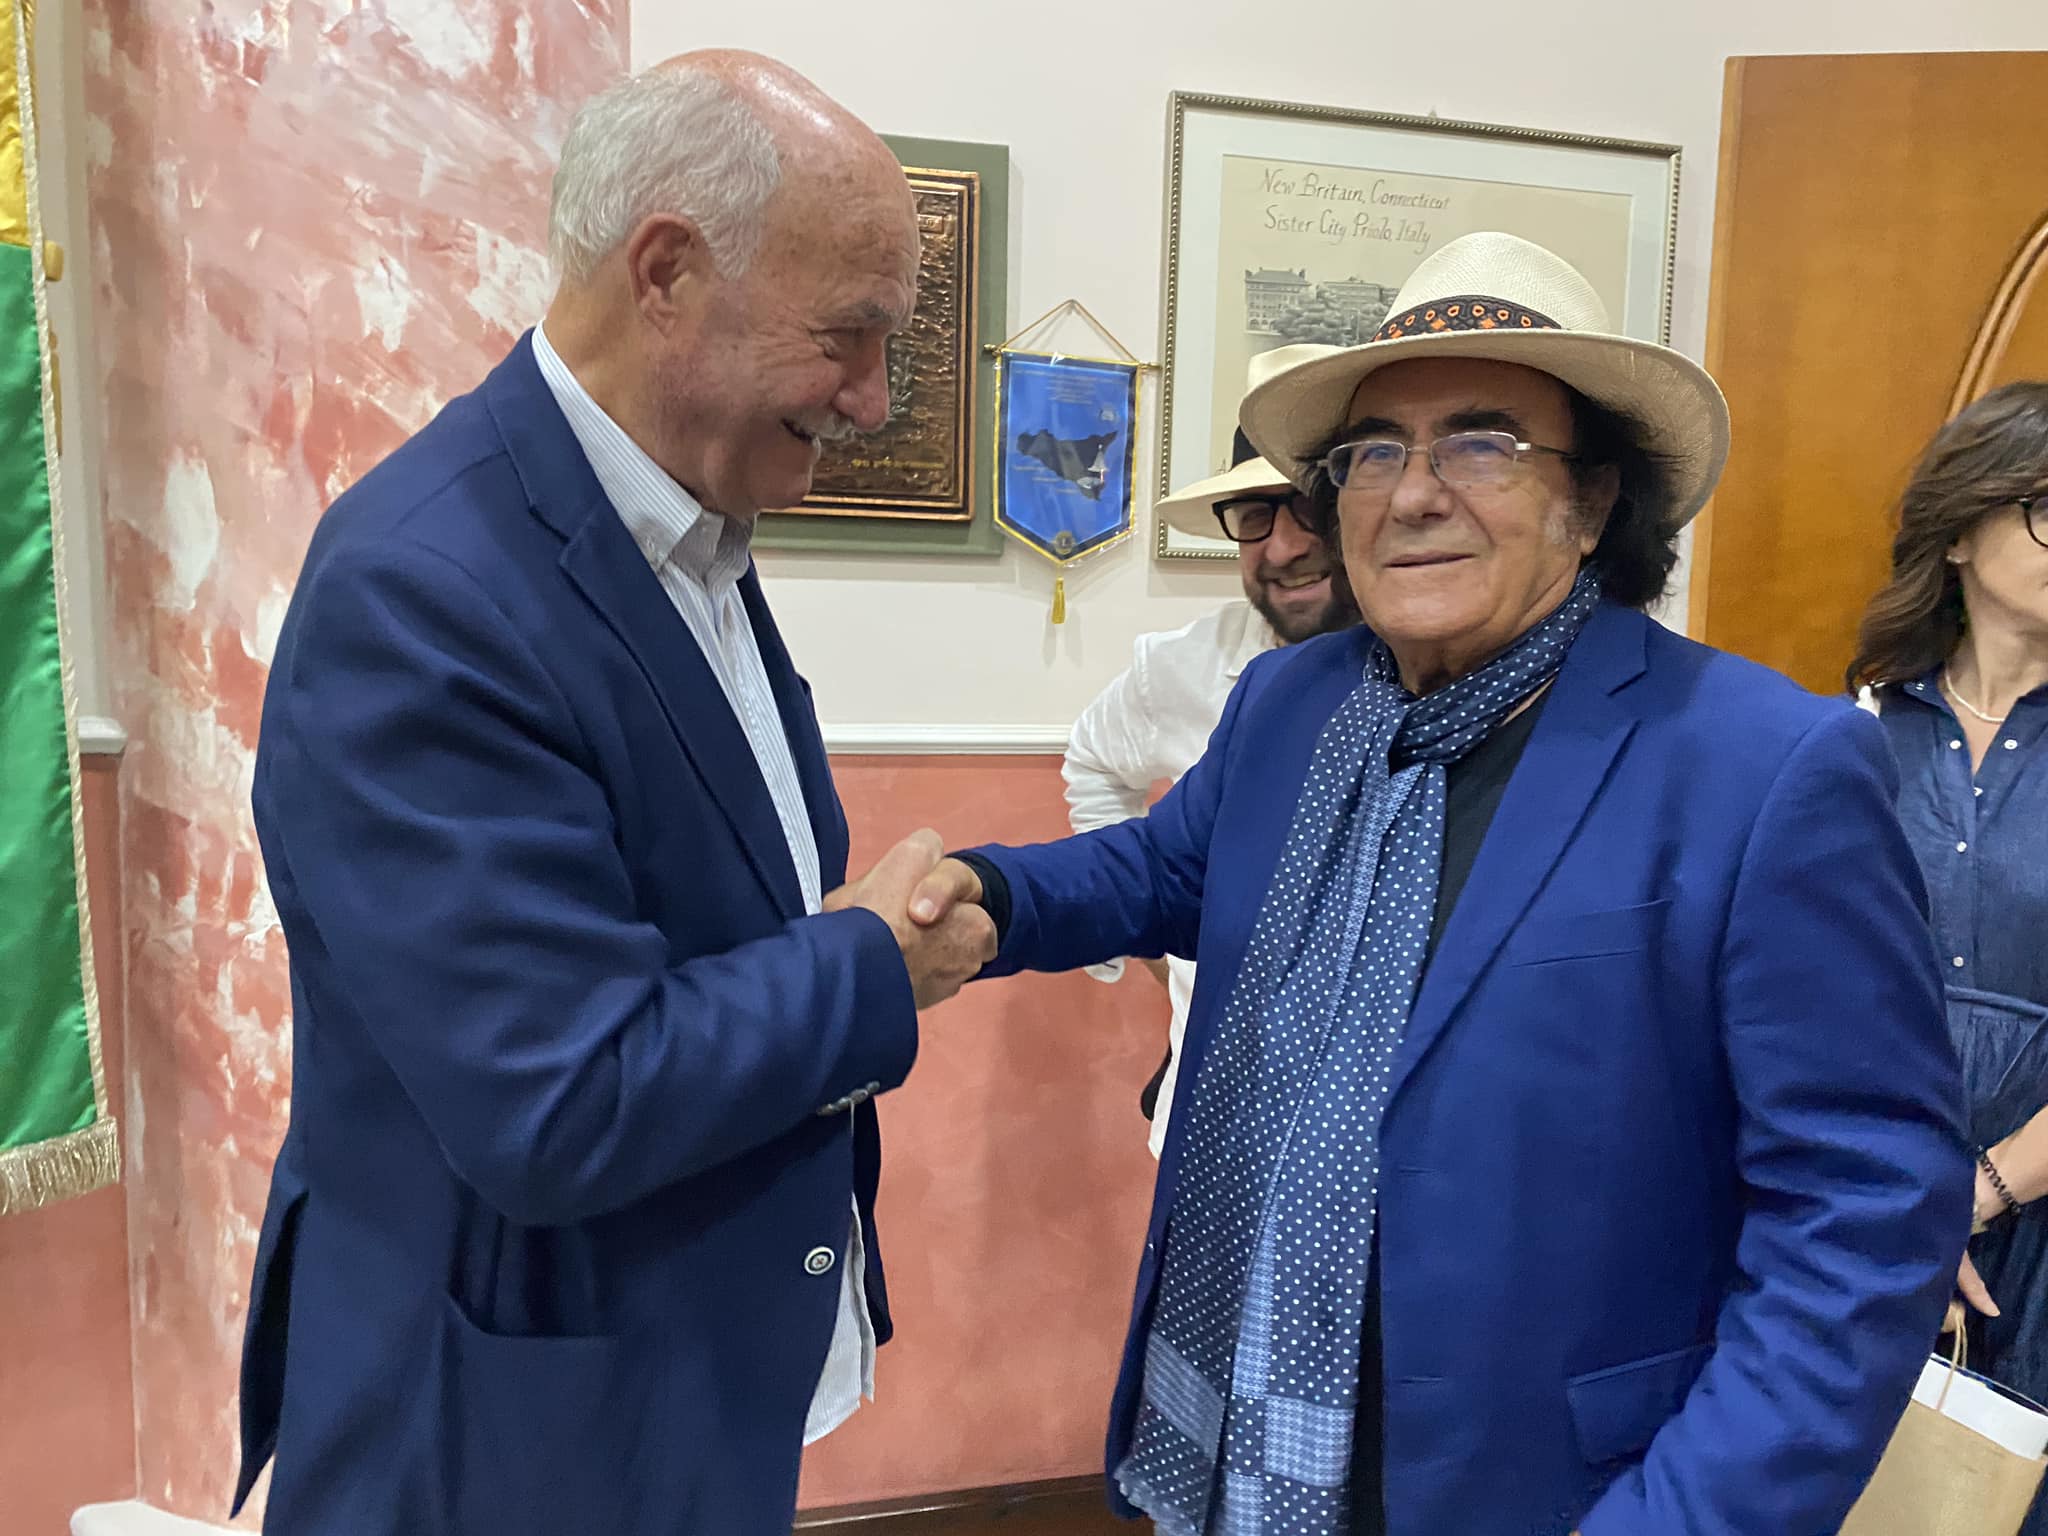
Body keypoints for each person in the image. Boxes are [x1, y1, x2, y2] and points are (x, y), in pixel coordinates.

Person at [913, 232, 1971, 1535]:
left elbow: (1861, 1218)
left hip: (1552, 1486)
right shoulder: (1291, 702)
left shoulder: (1763, 766)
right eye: (1372, 452)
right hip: (1246, 1425)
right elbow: (1162, 867)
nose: (1411, 494)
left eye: (1483, 444)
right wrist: (982, 896)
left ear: (1594, 502)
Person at [231, 53, 995, 1536]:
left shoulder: (682, 524)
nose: (872, 396)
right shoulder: (424, 590)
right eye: (849, 334)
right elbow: (559, 1098)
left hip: (666, 1386)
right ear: (666, 274)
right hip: (503, 1444)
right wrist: (869, 965)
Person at [1064, 344, 1356, 1157]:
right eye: (1255, 515)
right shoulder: (1182, 667)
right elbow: (1094, 762)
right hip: (1216, 1126)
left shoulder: (1449, 672)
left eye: (1309, 506)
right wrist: (1148, 934)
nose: (1283, 547)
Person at [1850, 381, 2048, 1532]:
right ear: (1961, 530)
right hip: (1865, 1221)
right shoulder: (1850, 731)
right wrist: (1895, 1212)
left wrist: (1972, 1197)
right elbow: (1796, 1012)